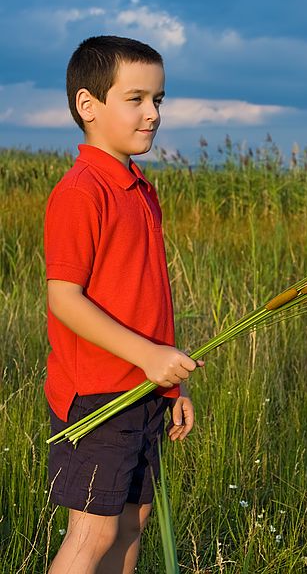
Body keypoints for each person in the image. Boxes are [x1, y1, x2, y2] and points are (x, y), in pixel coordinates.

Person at [44, 35, 204, 574]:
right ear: (88, 105)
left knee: (133, 520)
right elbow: (64, 299)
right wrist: (148, 356)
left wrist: (168, 381)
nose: (152, 113)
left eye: (158, 99)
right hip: (97, 396)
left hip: (143, 389)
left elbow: (151, 302)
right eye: (135, 99)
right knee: (93, 532)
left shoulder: (139, 187)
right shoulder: (81, 190)